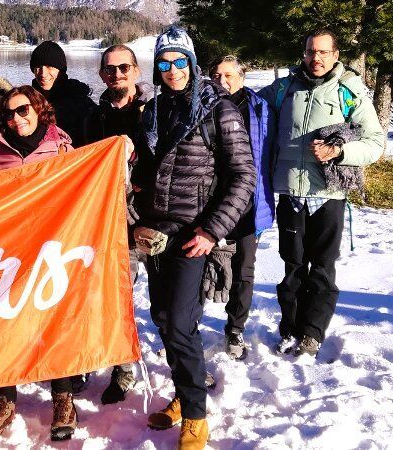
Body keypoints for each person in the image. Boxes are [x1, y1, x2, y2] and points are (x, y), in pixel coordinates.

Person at [131, 26, 256, 450]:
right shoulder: (151, 112)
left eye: (180, 61)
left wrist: (212, 230)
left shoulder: (218, 110)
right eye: (164, 63)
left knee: (181, 324)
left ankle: (196, 416)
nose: (172, 70)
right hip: (155, 236)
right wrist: (135, 219)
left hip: (194, 235)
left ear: (193, 63)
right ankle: (185, 396)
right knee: (164, 320)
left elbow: (244, 177)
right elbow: (143, 178)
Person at [257, 29, 384, 358]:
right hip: (291, 193)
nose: (317, 58)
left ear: (336, 55)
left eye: (324, 52)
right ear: (304, 53)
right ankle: (290, 328)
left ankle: (312, 333)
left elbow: (375, 143)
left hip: (329, 195)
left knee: (323, 269)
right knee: (293, 267)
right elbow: (251, 106)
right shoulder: (286, 88)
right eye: (312, 51)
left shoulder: (349, 90)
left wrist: (338, 153)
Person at [0, 86, 80, 443]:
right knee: (4, 321)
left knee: (52, 323)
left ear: (39, 109)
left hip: (51, 248)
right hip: (9, 252)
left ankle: (63, 400)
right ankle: (4, 402)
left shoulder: (61, 147)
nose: (16, 119)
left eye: (23, 111)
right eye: (9, 113)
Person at [89, 44, 153, 405]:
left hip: (146, 217)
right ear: (101, 75)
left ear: (137, 71)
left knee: (161, 303)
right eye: (110, 69)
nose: (117, 74)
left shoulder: (153, 112)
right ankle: (120, 366)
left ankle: (181, 365)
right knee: (115, 296)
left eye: (124, 67)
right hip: (105, 218)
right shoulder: (93, 116)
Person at [208, 56, 275, 360]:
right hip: (210, 202)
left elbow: (269, 154)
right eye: (217, 75)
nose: (223, 80)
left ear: (242, 77)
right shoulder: (203, 107)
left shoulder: (260, 110)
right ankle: (190, 323)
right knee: (200, 267)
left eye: (229, 75)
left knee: (244, 269)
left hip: (248, 203)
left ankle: (235, 328)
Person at [29, 40, 97, 148]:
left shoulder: (81, 102)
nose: (43, 73)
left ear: (62, 70)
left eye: (49, 67)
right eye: (38, 67)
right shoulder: (27, 101)